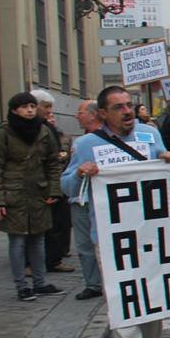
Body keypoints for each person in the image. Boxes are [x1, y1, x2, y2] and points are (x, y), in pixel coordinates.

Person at [62, 86, 170, 338]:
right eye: (118, 107)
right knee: (121, 296)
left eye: (129, 105)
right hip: (111, 234)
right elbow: (67, 188)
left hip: (149, 229)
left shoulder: (150, 135)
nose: (127, 112)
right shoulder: (86, 144)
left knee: (153, 291)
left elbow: (162, 171)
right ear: (102, 114)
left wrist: (168, 161)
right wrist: (79, 174)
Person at [0, 92, 63, 301]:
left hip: (38, 194)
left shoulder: (44, 131)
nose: (29, 110)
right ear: (14, 110)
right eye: (24, 106)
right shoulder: (3, 134)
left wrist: (54, 190)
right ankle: (21, 286)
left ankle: (40, 283)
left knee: (38, 240)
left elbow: (52, 164)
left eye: (32, 105)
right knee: (18, 242)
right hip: (13, 196)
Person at [32, 89, 75, 272]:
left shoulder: (47, 128)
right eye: (46, 107)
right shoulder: (33, 128)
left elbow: (52, 160)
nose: (50, 111)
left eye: (51, 107)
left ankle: (54, 259)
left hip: (52, 181)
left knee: (59, 222)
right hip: (37, 185)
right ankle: (36, 262)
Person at [69, 101, 105, 301]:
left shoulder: (111, 140)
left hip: (105, 202)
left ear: (93, 115)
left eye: (80, 112)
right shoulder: (80, 143)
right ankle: (93, 283)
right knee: (85, 244)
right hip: (81, 200)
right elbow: (67, 179)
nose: (77, 115)